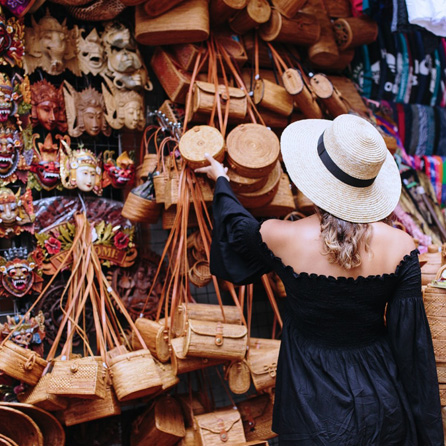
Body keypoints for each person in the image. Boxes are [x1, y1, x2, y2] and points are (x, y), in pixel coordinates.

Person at [195, 114, 444, 445]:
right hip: (382, 403)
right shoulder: (400, 246)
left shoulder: (279, 236)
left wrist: (222, 180)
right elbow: (412, 349)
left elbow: (236, 229)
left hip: (309, 401)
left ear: (314, 177)